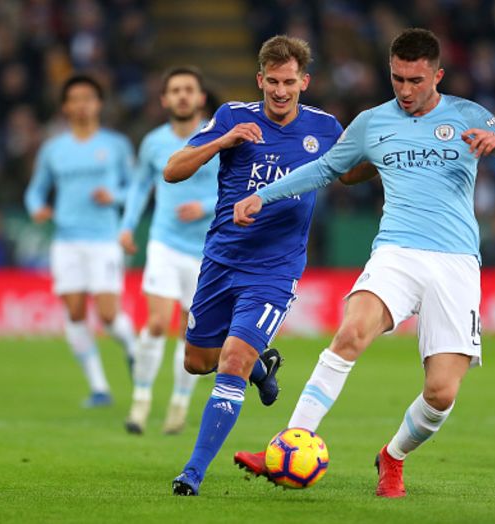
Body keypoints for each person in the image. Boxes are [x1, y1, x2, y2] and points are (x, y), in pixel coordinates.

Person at [232, 28, 495, 498]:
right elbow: (326, 168)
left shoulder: (469, 115)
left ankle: (392, 456)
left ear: (437, 75)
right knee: (350, 333)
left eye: (416, 80)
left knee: (441, 394)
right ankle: (285, 444)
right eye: (397, 79)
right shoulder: (373, 122)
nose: (405, 90)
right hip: (396, 251)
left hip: (456, 261)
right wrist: (263, 196)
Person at [163, 36, 368, 496]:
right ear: (260, 80)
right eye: (272, 82)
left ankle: (192, 472)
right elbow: (172, 170)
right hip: (221, 260)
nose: (280, 91)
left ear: (304, 82)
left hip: (274, 270)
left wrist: (383, 156)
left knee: (231, 359)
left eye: (289, 82)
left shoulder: (324, 127)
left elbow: (353, 171)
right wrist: (223, 141)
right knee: (198, 362)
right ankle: (261, 368)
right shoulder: (234, 117)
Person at [24, 75, 137, 407]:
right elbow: (35, 189)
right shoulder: (53, 149)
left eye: (88, 98)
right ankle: (99, 387)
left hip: (104, 239)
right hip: (66, 240)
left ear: (99, 104)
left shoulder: (116, 145)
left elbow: (135, 187)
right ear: (65, 107)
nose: (82, 104)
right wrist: (36, 208)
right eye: (75, 98)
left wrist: (113, 195)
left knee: (107, 314)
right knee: (74, 313)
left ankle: (131, 347)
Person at [120, 66, 219, 435]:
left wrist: (204, 206)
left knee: (191, 335)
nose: (181, 95)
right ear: (164, 99)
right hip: (165, 242)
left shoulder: (217, 137)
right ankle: (141, 402)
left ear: (200, 97)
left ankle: (178, 405)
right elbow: (139, 185)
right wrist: (126, 225)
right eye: (174, 90)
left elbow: (236, 187)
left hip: (208, 250)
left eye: (188, 89)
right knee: (158, 322)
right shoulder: (153, 143)